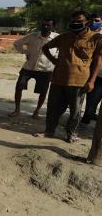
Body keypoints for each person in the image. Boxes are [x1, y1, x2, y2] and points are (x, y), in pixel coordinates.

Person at [35, 11, 102, 143]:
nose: (76, 23)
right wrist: (54, 61)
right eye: (73, 21)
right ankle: (49, 131)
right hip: (58, 79)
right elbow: (46, 47)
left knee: (75, 111)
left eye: (80, 21)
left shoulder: (96, 38)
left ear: (87, 22)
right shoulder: (64, 37)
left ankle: (71, 134)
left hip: (80, 81)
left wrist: (92, 81)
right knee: (53, 108)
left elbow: (97, 62)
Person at [9, 20, 59, 119]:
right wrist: (26, 52)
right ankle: (17, 109)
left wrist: (56, 58)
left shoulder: (57, 38)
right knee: (19, 87)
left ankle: (37, 111)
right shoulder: (33, 36)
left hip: (45, 70)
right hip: (28, 68)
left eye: (48, 25)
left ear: (53, 27)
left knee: (43, 91)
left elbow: (61, 50)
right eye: (43, 24)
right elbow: (17, 43)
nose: (45, 27)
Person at [81, 13, 102, 124]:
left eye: (97, 20)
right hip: (96, 76)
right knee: (91, 104)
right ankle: (86, 120)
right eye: (92, 20)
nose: (94, 22)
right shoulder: (85, 35)